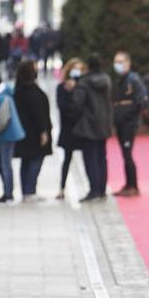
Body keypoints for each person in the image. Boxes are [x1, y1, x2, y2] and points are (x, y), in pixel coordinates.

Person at [71, 55, 113, 202]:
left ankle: (94, 190)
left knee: (90, 159)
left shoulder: (83, 82)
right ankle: (101, 189)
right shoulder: (106, 80)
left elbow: (77, 104)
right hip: (103, 124)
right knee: (102, 157)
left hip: (88, 125)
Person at [12, 60, 53, 202]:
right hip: (34, 134)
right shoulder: (32, 92)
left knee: (26, 161)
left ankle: (26, 191)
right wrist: (43, 131)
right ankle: (30, 190)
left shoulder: (18, 90)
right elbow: (38, 114)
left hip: (23, 133)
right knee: (36, 159)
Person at [0, 71, 25, 205]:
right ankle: (7, 192)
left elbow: (2, 120)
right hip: (5, 135)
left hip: (6, 135)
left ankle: (8, 194)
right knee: (1, 163)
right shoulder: (3, 94)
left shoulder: (1, 97)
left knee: (5, 164)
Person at [112, 51, 149, 197]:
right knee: (124, 154)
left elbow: (141, 101)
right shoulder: (120, 80)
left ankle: (133, 185)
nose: (118, 65)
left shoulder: (133, 80)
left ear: (128, 63)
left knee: (128, 154)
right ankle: (128, 184)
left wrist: (129, 113)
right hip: (121, 121)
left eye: (121, 62)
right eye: (116, 62)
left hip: (129, 122)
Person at [56, 58, 85, 200]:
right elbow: (62, 106)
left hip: (82, 128)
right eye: (75, 68)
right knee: (67, 159)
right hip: (68, 128)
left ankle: (90, 187)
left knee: (87, 158)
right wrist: (69, 91)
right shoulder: (62, 87)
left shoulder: (84, 87)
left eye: (80, 68)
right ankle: (62, 187)